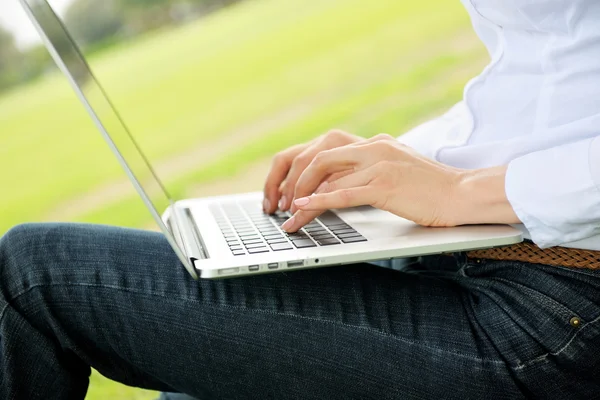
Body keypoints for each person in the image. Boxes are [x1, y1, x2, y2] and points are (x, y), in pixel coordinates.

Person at [1, 1, 599, 399]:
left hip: (556, 307)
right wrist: (395, 159)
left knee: (35, 274)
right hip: (494, 249)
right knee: (194, 359)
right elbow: (546, 74)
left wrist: (466, 190)